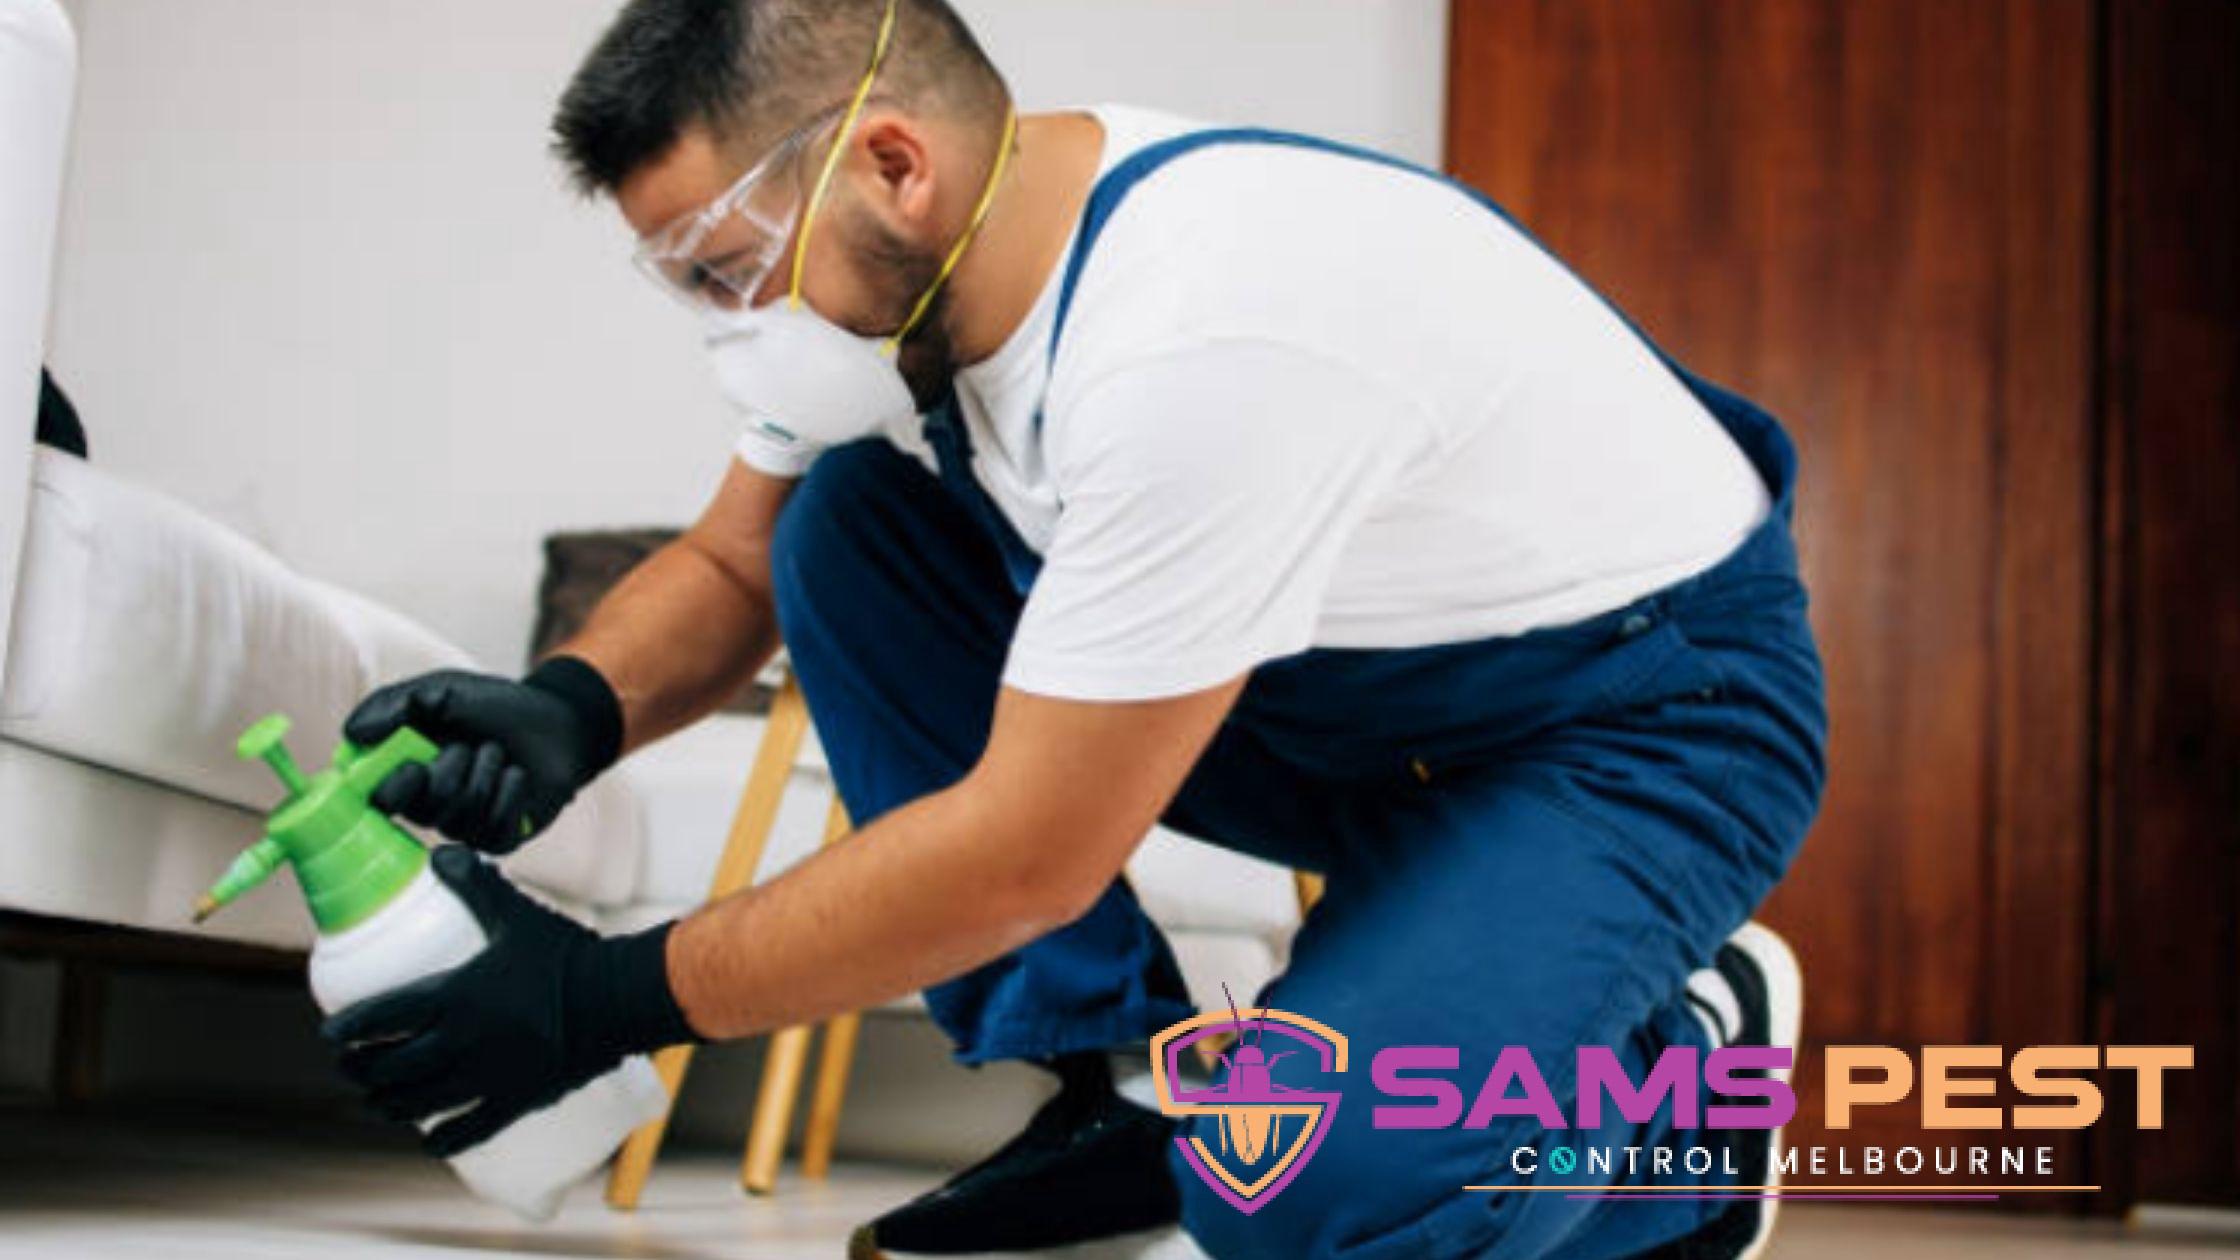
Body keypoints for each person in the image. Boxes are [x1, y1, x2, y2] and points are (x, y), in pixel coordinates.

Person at [322, 2, 1827, 1256]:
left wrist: (603, 1001)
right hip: (1342, 702)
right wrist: (573, 706)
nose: (728, 326)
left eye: (724, 270)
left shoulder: (1197, 333)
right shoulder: (911, 286)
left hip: (1629, 726)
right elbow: (733, 561)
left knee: (1304, 1191)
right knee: (845, 522)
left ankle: (1682, 1102)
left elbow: (1026, 856)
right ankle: (1125, 1089)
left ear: (892, 163)